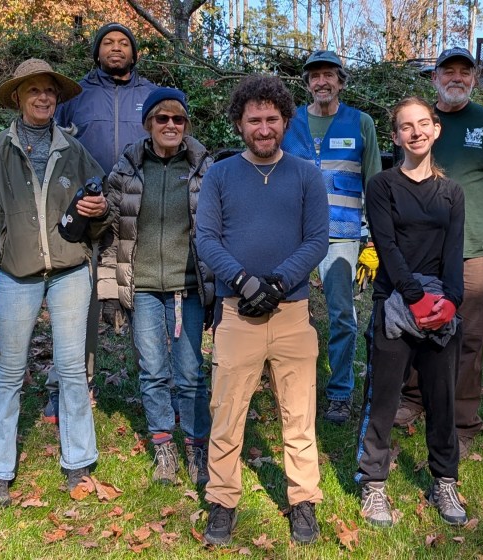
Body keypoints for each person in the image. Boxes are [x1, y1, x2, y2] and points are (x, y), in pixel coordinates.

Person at [0, 59, 110, 505]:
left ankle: (79, 461)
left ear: (57, 99)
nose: (43, 98)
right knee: (8, 369)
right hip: (14, 274)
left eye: (49, 91)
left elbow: (98, 219)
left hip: (69, 273)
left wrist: (98, 214)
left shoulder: (75, 152)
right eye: (33, 91)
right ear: (18, 98)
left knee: (70, 370)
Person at [196, 75, 328, 546]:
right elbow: (207, 239)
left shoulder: (305, 174)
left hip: (291, 313)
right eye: (255, 119)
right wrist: (244, 280)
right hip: (236, 314)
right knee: (227, 413)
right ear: (239, 124)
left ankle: (303, 501)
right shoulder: (221, 174)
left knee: (299, 414)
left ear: (286, 121)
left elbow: (316, 239)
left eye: (272, 118)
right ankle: (222, 501)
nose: (264, 127)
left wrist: (277, 281)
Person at [395, 47, 483, 460]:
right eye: (447, 71)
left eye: (463, 72)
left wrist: (482, 226)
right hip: (420, 252)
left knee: (468, 336)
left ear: (475, 78)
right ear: (434, 79)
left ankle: (463, 419)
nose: (455, 78)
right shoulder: (417, 123)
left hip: (470, 253)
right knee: (417, 325)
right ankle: (413, 399)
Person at [354, 97, 467, 528]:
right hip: (396, 303)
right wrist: (414, 298)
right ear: (396, 135)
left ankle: (445, 479)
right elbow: (387, 246)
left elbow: (454, 254)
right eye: (406, 126)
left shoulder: (451, 192)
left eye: (423, 124)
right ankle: (373, 482)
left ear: (436, 130)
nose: (416, 132)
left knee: (442, 399)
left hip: (441, 306)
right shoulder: (382, 186)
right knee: (384, 397)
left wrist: (451, 301)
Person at [100, 87, 214, 487]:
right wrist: (109, 291)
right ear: (148, 123)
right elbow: (109, 234)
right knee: (152, 371)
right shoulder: (127, 169)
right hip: (143, 286)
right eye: (162, 118)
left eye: (178, 119)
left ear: (186, 124)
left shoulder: (204, 168)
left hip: (189, 288)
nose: (170, 125)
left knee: (190, 372)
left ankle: (197, 446)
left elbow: (217, 230)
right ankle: (163, 445)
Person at [47, 21, 159, 422]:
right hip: (87, 212)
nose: (115, 48)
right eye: (108, 43)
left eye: (123, 43)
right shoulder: (75, 95)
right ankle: (68, 386)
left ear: (134, 52)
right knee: (79, 305)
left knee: (143, 300)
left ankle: (158, 389)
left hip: (140, 211)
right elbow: (54, 148)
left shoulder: (149, 95)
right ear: (97, 53)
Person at [281, 50, 381, 425]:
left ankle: (340, 392)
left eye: (328, 75)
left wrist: (373, 239)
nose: (321, 82)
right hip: (294, 234)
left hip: (343, 234)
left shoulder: (361, 123)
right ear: (306, 84)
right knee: (289, 313)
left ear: (341, 81)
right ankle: (291, 387)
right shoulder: (289, 124)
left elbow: (374, 184)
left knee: (342, 315)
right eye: (314, 76)